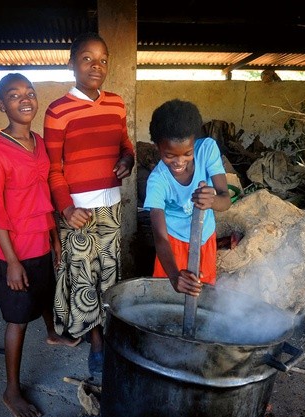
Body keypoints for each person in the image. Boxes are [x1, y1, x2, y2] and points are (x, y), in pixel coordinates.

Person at [0, 73, 80, 417]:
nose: (25, 99)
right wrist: (11, 262)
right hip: (14, 249)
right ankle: (11, 390)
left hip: (40, 238)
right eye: (14, 94)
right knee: (17, 319)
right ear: (1, 104)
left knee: (46, 292)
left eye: (30, 93)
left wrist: (53, 237)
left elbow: (44, 196)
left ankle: (52, 334)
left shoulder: (38, 142)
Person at [44, 32, 135, 379]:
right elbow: (53, 168)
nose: (96, 66)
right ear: (71, 63)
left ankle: (108, 334)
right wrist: (66, 208)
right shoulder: (57, 111)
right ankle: (96, 343)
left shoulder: (116, 103)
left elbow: (125, 143)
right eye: (86, 58)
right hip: (77, 212)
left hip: (111, 205)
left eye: (102, 59)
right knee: (84, 277)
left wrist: (127, 159)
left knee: (110, 275)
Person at [143, 99, 232, 297]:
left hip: (204, 238)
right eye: (169, 155)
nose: (179, 161)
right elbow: (160, 237)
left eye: (187, 153)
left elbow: (225, 200)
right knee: (167, 297)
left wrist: (213, 201)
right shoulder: (157, 181)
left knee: (202, 294)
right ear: (157, 146)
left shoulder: (207, 150)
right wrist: (174, 275)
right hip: (172, 244)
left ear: (194, 143)